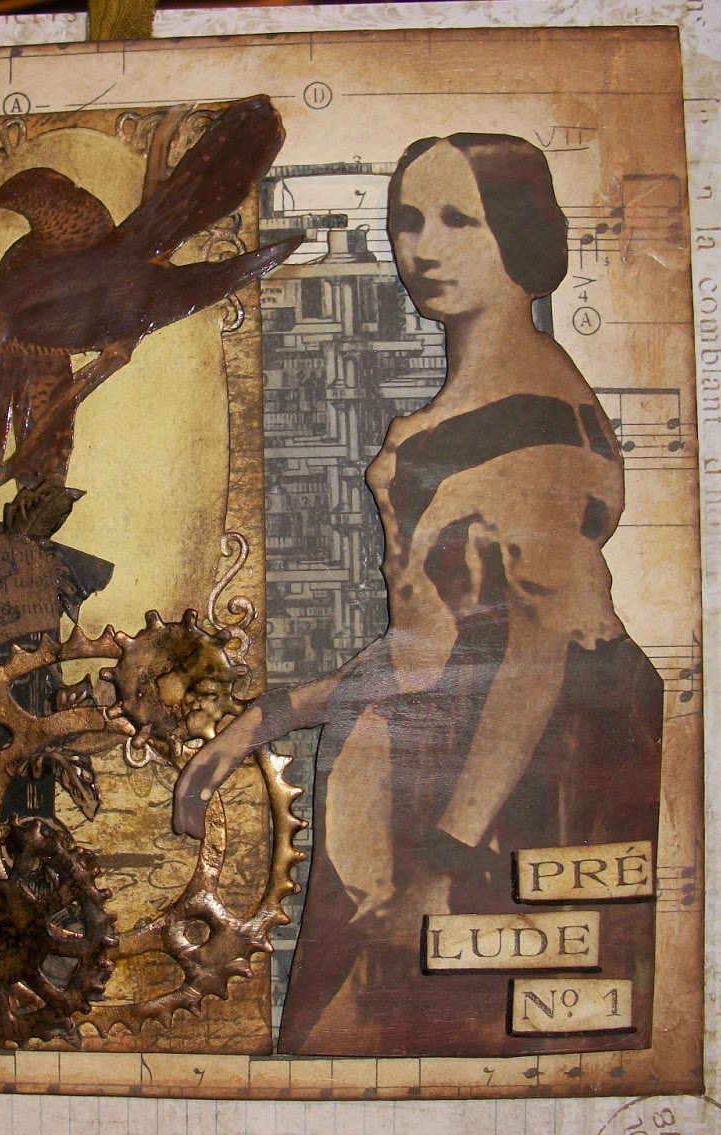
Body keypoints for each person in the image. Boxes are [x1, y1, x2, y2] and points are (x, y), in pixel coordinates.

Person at [172, 134, 664, 1057]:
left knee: (408, 1041)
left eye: (456, 220)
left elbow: (533, 660)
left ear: (518, 234)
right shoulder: (472, 402)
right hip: (428, 771)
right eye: (407, 220)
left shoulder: (538, 425)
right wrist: (263, 721)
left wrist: (446, 863)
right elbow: (431, 644)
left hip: (505, 793)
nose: (422, 248)